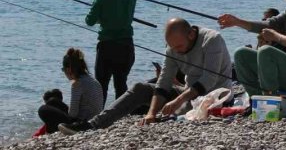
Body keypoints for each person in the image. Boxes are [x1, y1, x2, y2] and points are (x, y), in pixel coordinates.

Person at [60, 19, 231, 134]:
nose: (176, 51)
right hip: (188, 94)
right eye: (172, 47)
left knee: (180, 107)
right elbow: (163, 82)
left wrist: (177, 101)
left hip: (215, 97)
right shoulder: (172, 48)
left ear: (191, 35)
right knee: (140, 88)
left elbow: (208, 81)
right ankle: (93, 124)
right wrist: (151, 113)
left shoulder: (212, 40)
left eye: (179, 46)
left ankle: (173, 113)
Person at [85, 0, 136, 102]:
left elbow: (89, 21)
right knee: (121, 83)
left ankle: (99, 117)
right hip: (127, 45)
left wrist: (101, 18)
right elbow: (127, 17)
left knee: (101, 85)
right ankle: (120, 115)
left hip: (107, 46)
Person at [39, 49, 104, 134]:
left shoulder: (77, 84)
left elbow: (73, 114)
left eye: (63, 69)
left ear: (69, 69)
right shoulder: (92, 80)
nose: (64, 72)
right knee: (53, 101)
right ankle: (50, 130)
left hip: (82, 123)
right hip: (94, 118)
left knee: (43, 109)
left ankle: (52, 131)